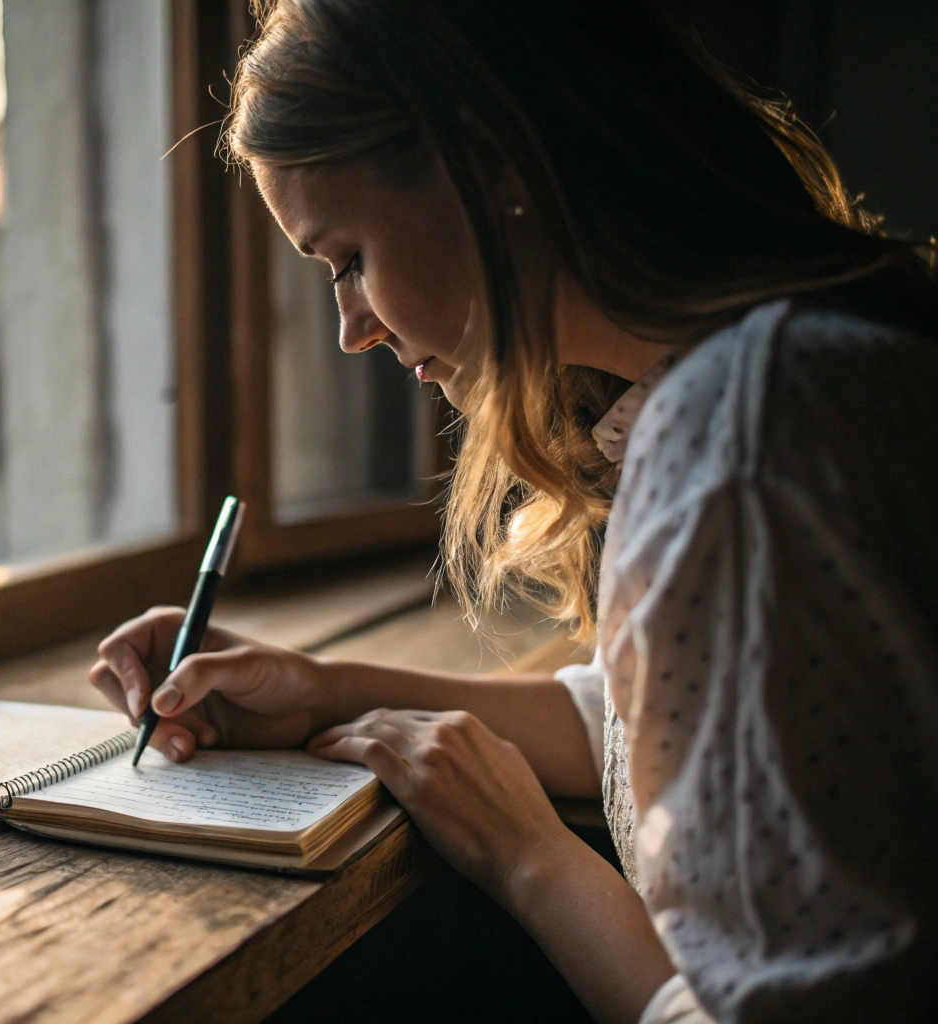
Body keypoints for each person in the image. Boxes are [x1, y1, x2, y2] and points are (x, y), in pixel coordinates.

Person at [88, 2, 938, 1022]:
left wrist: (528, 859)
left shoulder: (743, 445)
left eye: (347, 260)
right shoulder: (793, 369)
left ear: (491, 163)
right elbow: (649, 716)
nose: (351, 329)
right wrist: (318, 689)